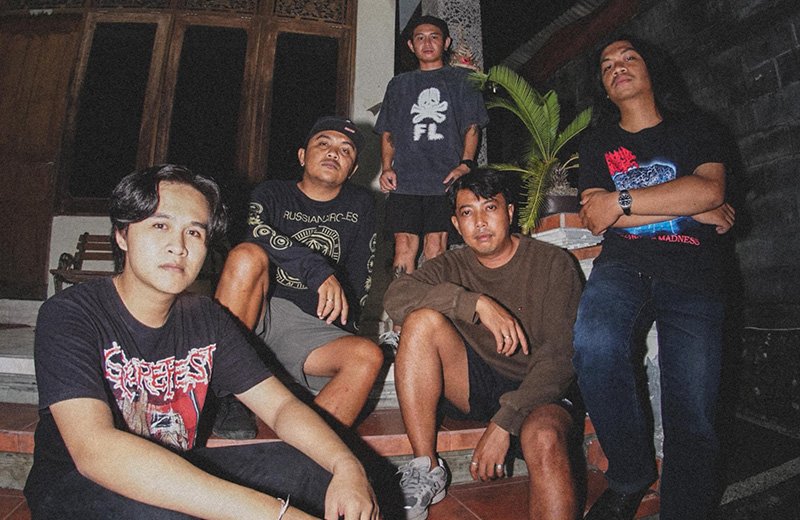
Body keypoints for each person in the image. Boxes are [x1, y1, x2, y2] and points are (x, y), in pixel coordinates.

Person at [24, 164, 378, 520]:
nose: (178, 247)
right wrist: (278, 515)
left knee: (318, 471)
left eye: (194, 232)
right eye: (160, 225)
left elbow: (281, 408)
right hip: (78, 486)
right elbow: (94, 450)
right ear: (122, 235)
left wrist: (347, 466)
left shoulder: (205, 318)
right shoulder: (72, 313)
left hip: (174, 467)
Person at [573, 36, 736, 520]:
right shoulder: (598, 143)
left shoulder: (699, 128)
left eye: (629, 58)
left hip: (694, 272)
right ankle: (629, 474)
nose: (617, 67)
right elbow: (595, 216)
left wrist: (622, 201)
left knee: (693, 407)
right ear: (603, 87)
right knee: (594, 345)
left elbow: (710, 190)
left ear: (651, 70)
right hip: (623, 266)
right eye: (607, 65)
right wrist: (690, 203)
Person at [384, 169, 583, 520]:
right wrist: (473, 303)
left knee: (544, 437)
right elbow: (396, 298)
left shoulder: (553, 263)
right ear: (456, 225)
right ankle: (426, 467)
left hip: (540, 390)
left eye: (490, 207)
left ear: (510, 212)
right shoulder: (453, 264)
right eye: (467, 212)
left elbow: (559, 357)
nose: (479, 222)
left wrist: (505, 422)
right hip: (478, 383)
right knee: (421, 321)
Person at [212, 116, 384, 438]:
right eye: (324, 144)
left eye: (345, 150)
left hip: (308, 330)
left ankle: (302, 455)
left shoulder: (361, 204)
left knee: (368, 355)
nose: (334, 153)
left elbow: (361, 276)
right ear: (302, 156)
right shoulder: (271, 193)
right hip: (258, 314)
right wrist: (317, 270)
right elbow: (255, 233)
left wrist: (345, 335)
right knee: (246, 256)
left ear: (353, 169)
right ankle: (225, 394)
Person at [375, 14, 489, 349]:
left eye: (434, 36)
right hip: (406, 180)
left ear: (446, 42)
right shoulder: (399, 84)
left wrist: (466, 164)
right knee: (403, 250)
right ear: (411, 45)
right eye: (420, 37)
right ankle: (398, 326)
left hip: (444, 180)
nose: (427, 42)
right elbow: (389, 131)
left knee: (436, 249)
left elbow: (472, 126)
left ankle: (431, 325)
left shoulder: (461, 80)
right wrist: (386, 167)